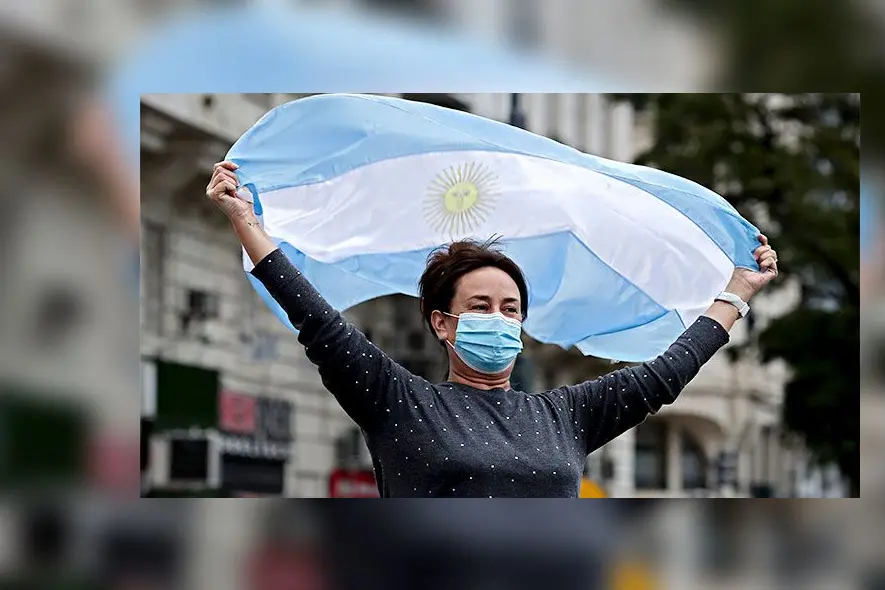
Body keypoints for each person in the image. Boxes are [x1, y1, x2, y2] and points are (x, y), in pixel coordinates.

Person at [207, 160, 779, 498]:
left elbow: (664, 375)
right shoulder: (399, 403)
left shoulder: (566, 416)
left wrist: (735, 294)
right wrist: (249, 226)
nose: (499, 319)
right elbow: (321, 325)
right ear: (443, 323)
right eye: (481, 305)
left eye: (511, 309)